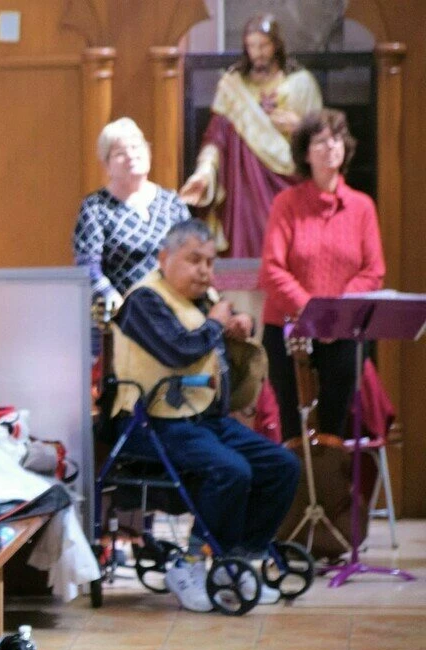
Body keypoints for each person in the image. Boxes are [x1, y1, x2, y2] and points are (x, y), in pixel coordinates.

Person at [111, 219, 299, 611]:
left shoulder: (200, 299)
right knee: (231, 471)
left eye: (210, 263)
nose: (204, 271)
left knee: (282, 465)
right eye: (194, 260)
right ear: (164, 257)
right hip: (152, 422)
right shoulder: (143, 300)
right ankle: (190, 563)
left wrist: (239, 327)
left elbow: (211, 337)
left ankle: (236, 563)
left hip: (204, 419)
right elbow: (179, 350)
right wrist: (216, 323)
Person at [259, 109, 385, 441]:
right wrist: (315, 315)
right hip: (288, 330)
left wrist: (336, 317)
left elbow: (373, 272)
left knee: (334, 430)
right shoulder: (286, 203)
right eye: (320, 141)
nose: (331, 146)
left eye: (337, 139)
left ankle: (332, 478)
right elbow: (272, 269)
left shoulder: (362, 207)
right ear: (305, 154)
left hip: (343, 333)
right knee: (293, 430)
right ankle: (297, 479)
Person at [179, 14, 323, 258]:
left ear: (276, 44)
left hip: (288, 182)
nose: (258, 53)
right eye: (252, 46)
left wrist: (299, 127)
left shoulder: (302, 84)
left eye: (263, 45)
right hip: (244, 190)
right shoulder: (233, 87)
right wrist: (204, 172)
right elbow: (216, 138)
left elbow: (323, 137)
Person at [73, 118, 191, 311]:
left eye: (136, 147)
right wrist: (112, 298)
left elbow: (192, 252)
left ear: (148, 153)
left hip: (174, 308)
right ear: (106, 165)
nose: (130, 155)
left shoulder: (172, 202)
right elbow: (87, 267)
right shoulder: (95, 207)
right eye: (120, 153)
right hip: (122, 313)